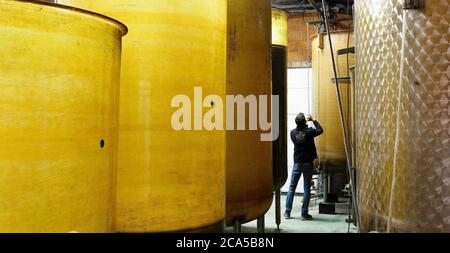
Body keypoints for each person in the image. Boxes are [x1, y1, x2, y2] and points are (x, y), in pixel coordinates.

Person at [285, 113, 323, 220]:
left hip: (297, 163)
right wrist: (313, 120)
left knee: (291, 188)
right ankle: (304, 214)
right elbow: (320, 130)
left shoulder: (292, 133)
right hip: (308, 163)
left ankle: (287, 212)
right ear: (305, 122)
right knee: (306, 188)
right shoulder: (309, 132)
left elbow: (300, 135)